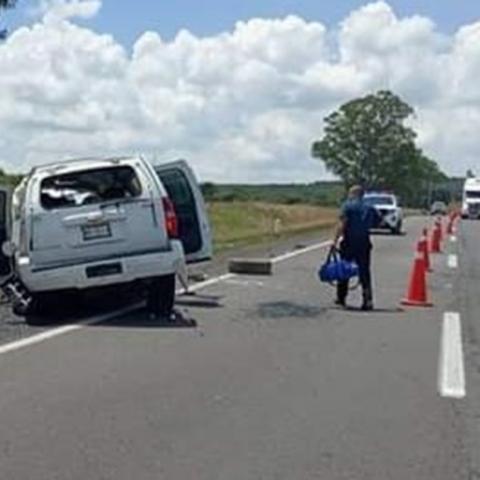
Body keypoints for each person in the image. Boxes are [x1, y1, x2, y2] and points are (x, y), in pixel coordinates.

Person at [333, 185, 378, 311]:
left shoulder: (347, 206)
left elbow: (342, 224)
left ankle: (341, 298)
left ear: (352, 194)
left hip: (349, 242)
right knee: (364, 271)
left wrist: (334, 241)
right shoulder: (370, 207)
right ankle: (367, 300)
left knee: (344, 270)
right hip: (364, 242)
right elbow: (377, 221)